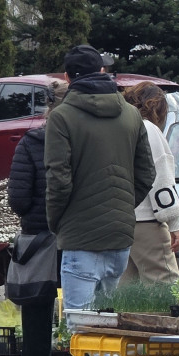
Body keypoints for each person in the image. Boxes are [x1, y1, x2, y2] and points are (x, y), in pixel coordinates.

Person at [45, 45, 154, 319]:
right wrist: (122, 206)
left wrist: (56, 221)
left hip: (80, 236)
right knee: (107, 328)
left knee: (82, 330)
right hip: (119, 235)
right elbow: (146, 174)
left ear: (68, 77)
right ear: (102, 71)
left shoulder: (61, 117)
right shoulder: (131, 114)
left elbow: (58, 178)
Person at [7, 80, 67, 356]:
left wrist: (34, 215)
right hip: (77, 234)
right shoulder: (81, 140)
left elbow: (17, 198)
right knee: (89, 310)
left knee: (36, 313)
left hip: (39, 235)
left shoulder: (31, 141)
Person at [120, 82, 179, 286]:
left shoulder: (119, 127)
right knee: (163, 283)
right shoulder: (148, 128)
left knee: (125, 289)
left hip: (118, 220)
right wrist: (174, 223)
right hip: (147, 220)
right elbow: (161, 176)